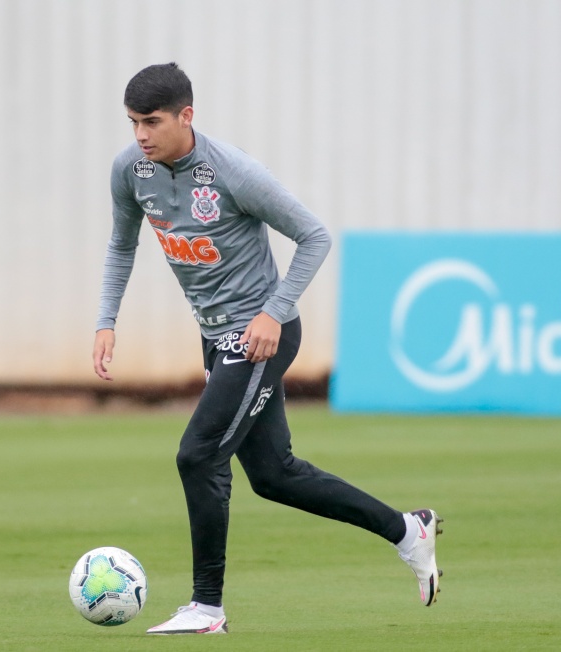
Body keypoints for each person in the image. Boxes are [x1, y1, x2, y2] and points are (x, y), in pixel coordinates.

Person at [92, 62, 443, 635]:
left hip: (258, 337)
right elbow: (120, 245)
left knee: (198, 455)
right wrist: (106, 320)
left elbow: (315, 236)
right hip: (215, 336)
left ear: (187, 116)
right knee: (274, 475)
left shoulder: (234, 173)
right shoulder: (131, 170)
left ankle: (207, 609)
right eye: (132, 123)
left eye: (151, 122)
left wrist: (273, 313)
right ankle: (408, 530)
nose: (140, 136)